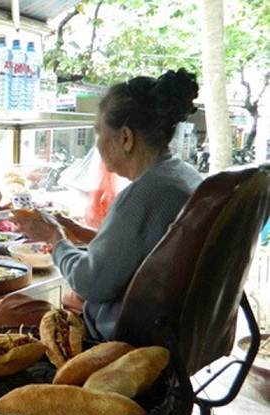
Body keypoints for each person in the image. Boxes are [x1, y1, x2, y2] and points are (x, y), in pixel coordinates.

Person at [13, 68, 202, 341]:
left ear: (125, 138)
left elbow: (91, 284)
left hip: (128, 337)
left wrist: (54, 238)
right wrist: (78, 232)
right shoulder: (182, 177)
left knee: (4, 310)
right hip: (178, 329)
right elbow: (145, 253)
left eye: (98, 133)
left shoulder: (143, 195)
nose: (98, 145)